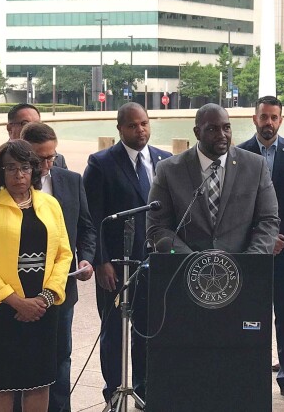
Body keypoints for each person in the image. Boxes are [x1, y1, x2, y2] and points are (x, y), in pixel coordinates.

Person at [0, 140, 72, 412]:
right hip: (2, 310)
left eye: (25, 167)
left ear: (34, 170)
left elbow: (64, 254)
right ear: (0, 172)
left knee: (39, 381)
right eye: (10, 168)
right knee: (2, 384)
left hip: (44, 308)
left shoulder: (50, 205)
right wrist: (17, 302)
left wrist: (46, 298)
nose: (18, 174)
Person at [83, 102, 171, 405]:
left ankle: (144, 389)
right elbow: (93, 218)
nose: (140, 130)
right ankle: (114, 394)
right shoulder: (100, 163)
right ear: (119, 128)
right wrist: (101, 261)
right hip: (116, 265)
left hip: (154, 264)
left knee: (148, 331)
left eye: (144, 123)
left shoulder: (165, 160)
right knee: (114, 332)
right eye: (133, 125)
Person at [238, 96, 284, 405]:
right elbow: (236, 203)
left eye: (274, 117)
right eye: (263, 117)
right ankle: (248, 375)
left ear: (281, 120)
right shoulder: (239, 153)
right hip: (252, 249)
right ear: (254, 119)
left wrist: (279, 237)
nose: (268, 122)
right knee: (250, 315)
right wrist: (263, 238)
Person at [20, 122, 96, 412]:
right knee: (22, 358)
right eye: (40, 159)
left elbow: (86, 227)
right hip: (22, 290)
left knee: (61, 356)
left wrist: (87, 257)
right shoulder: (10, 185)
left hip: (63, 287)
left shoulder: (71, 180)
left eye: (52, 157)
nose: (47, 164)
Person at [147, 103, 279, 254]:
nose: (222, 135)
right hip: (185, 270)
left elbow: (268, 220)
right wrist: (195, 263)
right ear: (197, 132)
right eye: (212, 129)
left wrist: (249, 261)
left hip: (241, 270)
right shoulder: (168, 170)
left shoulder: (256, 166)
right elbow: (157, 226)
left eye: (226, 128)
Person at [0, 103, 67, 192]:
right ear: (9, 128)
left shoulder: (58, 160)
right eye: (25, 123)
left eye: (37, 123)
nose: (33, 127)